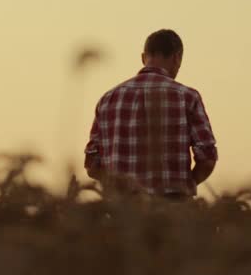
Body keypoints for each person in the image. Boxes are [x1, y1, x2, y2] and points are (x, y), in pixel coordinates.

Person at [83, 29, 218, 199]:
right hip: (173, 212)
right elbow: (207, 158)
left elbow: (92, 163)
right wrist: (184, 186)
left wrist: (118, 189)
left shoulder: (108, 99)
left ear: (143, 57)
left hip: (122, 214)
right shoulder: (187, 97)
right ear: (177, 58)